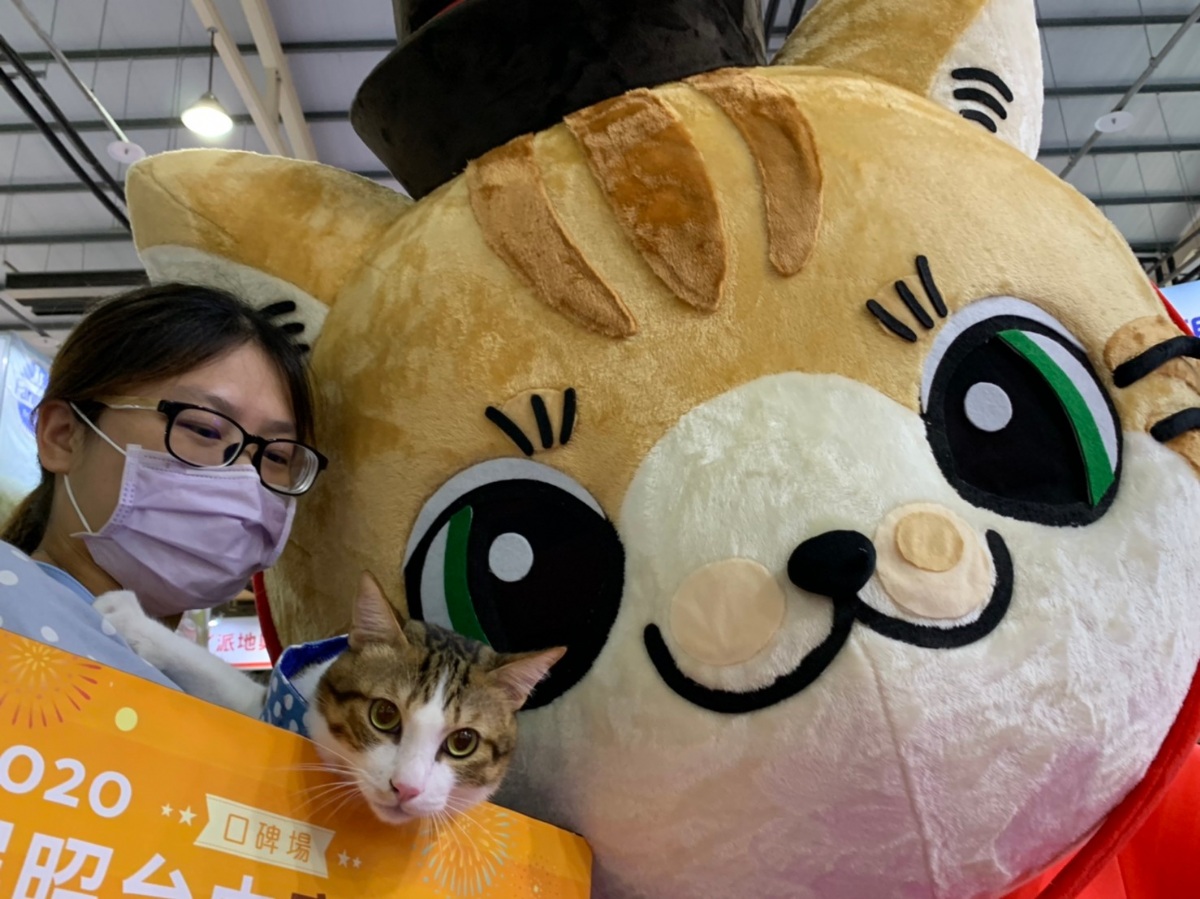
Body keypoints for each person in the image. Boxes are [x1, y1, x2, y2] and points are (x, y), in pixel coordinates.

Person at [0, 283, 324, 689]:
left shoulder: (194, 692)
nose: (246, 477)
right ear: (62, 436)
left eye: (276, 456)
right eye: (204, 429)